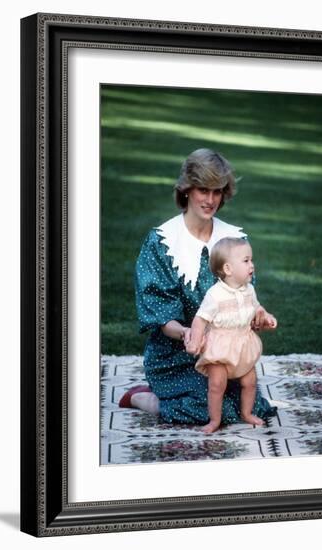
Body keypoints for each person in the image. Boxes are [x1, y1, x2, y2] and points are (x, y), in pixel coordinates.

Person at [119, 148, 277, 426]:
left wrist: (255, 317)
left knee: (252, 407)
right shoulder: (162, 242)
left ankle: (175, 399)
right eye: (203, 190)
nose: (210, 199)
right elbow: (159, 312)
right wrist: (188, 333)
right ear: (186, 190)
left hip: (225, 353)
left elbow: (245, 296)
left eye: (217, 191)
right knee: (207, 410)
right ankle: (143, 397)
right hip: (176, 354)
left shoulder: (234, 240)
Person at [186, 237, 277, 433]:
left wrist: (265, 315)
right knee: (217, 385)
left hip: (242, 344)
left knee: (249, 382)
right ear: (228, 269)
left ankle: (246, 413)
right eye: (246, 261)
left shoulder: (249, 290)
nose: (252, 265)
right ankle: (214, 420)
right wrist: (194, 341)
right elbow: (200, 319)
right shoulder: (215, 295)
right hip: (220, 347)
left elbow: (256, 307)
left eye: (251, 260)